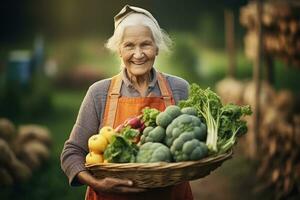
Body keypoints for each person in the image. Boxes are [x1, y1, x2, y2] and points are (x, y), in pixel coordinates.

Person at [60, 5, 193, 200]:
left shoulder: (179, 88)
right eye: (129, 45)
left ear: (156, 48)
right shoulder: (99, 93)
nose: (138, 54)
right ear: (119, 51)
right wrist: (97, 183)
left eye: (145, 44)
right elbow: (72, 153)